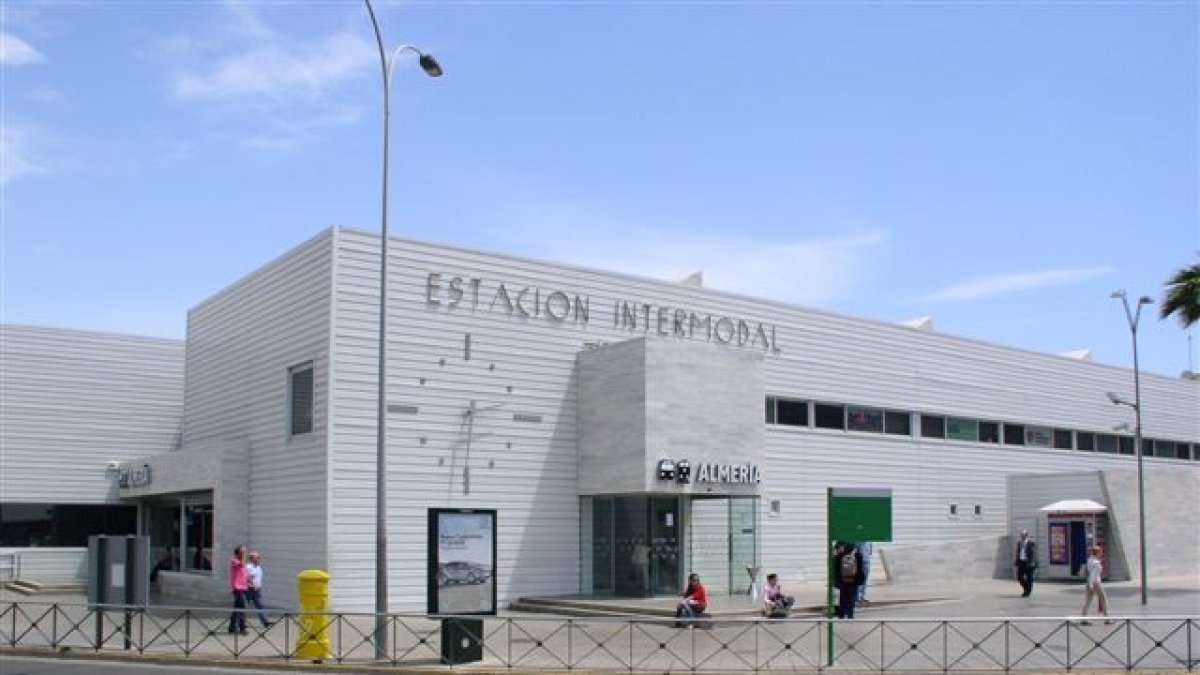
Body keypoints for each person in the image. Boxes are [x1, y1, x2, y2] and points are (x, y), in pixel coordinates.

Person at [833, 541, 865, 619]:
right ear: (854, 549)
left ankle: (841, 615)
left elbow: (836, 569)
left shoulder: (839, 556)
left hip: (842, 581)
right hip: (853, 581)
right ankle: (850, 615)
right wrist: (860, 580)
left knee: (842, 598)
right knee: (851, 599)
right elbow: (860, 569)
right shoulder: (858, 556)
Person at [1080, 545, 1110, 625]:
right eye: (1100, 552)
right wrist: (1092, 585)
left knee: (1088, 601)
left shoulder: (1089, 560)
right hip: (1095, 583)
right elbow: (1093, 575)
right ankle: (1107, 619)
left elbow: (1089, 572)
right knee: (1104, 599)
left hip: (1089, 582)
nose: (1101, 554)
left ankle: (1083, 619)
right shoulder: (1096, 562)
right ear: (1097, 553)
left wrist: (1089, 585)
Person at [246, 550, 270, 628]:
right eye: (257, 557)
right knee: (243, 606)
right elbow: (247, 577)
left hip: (257, 590)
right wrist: (252, 585)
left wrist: (258, 586)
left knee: (260, 605)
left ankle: (265, 621)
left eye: (259, 557)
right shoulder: (248, 567)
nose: (259, 559)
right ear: (252, 559)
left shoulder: (258, 567)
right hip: (249, 589)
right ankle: (239, 622)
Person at [228, 545, 248, 635]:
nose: (245, 553)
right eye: (243, 551)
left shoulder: (242, 561)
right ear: (238, 552)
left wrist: (249, 582)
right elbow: (242, 564)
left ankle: (232, 627)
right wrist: (243, 555)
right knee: (242, 606)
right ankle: (242, 627)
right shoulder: (234, 560)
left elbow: (244, 573)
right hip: (237, 588)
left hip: (243, 587)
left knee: (237, 608)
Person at [1013, 529, 1037, 598]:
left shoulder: (1031, 543)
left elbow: (1034, 554)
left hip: (1029, 563)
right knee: (1019, 577)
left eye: (1023, 535)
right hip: (1021, 562)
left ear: (1026, 535)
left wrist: (1032, 562)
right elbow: (1018, 552)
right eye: (1021, 535)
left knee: (1029, 578)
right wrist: (1016, 561)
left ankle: (1027, 592)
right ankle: (1027, 589)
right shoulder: (1019, 543)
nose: (1022, 537)